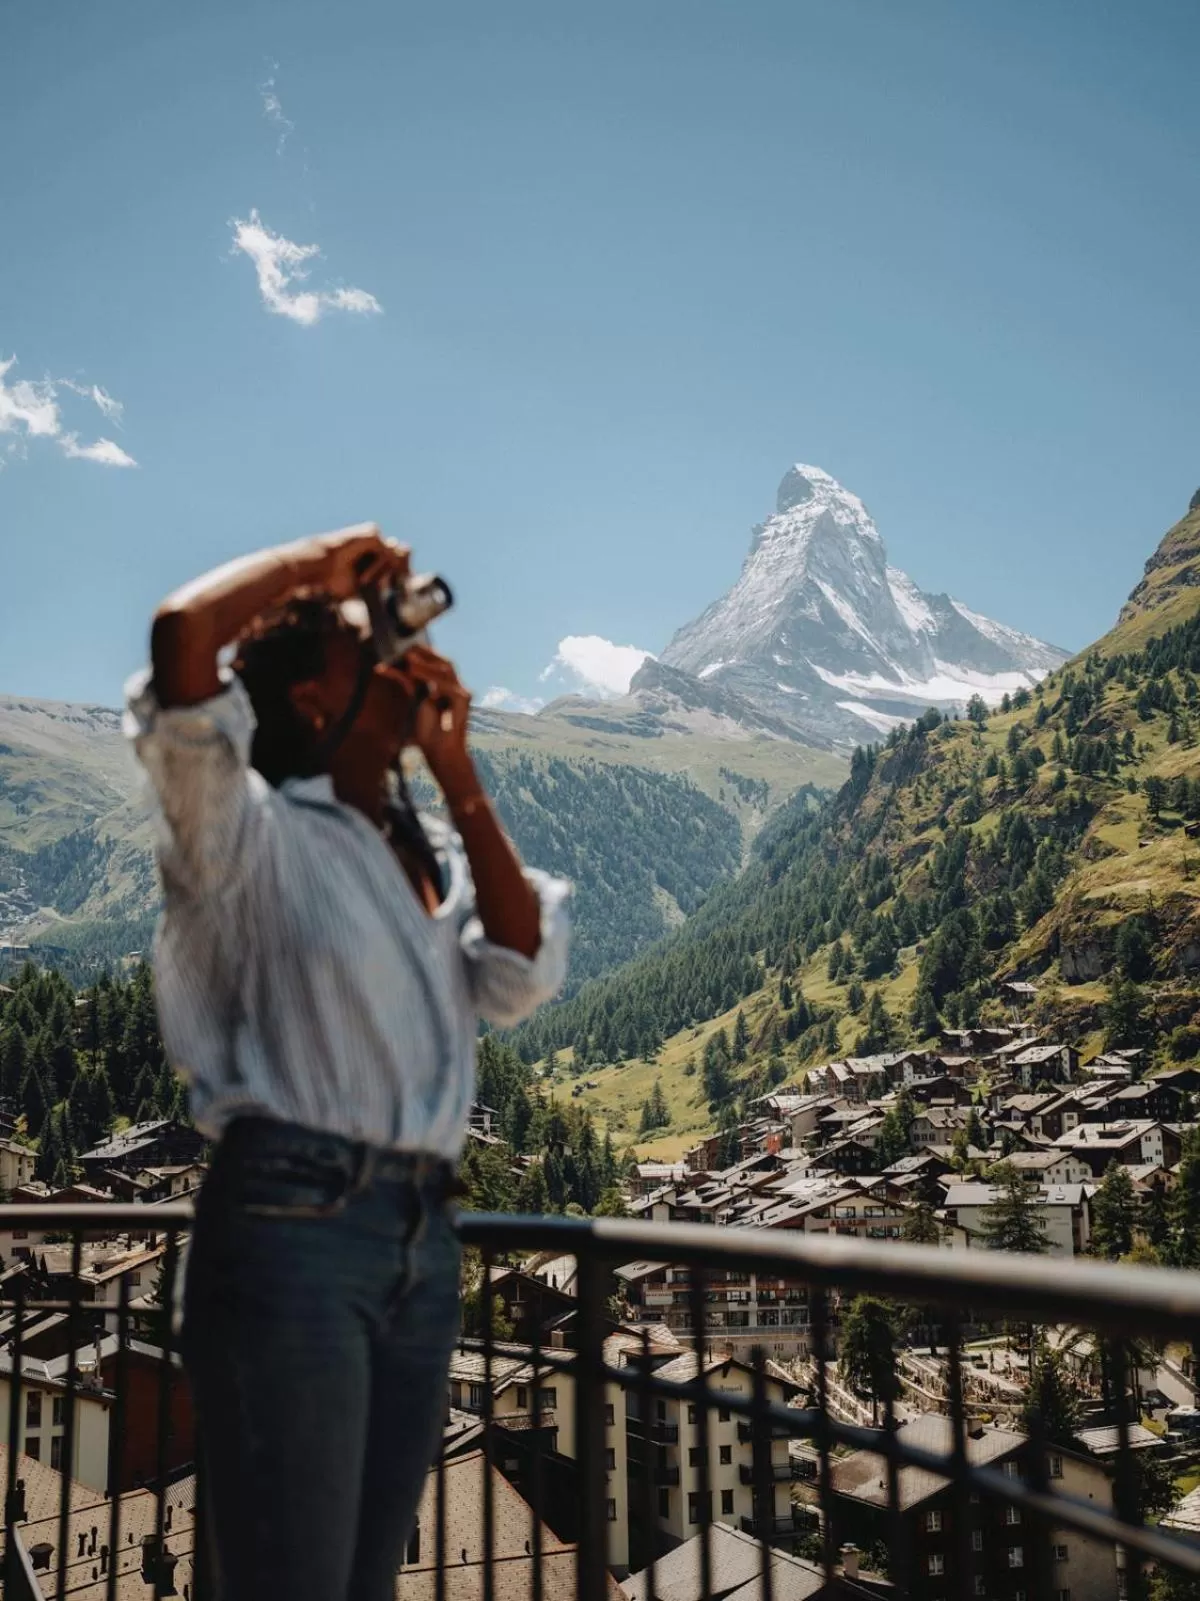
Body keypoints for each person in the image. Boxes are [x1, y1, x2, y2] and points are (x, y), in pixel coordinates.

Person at [125, 524, 570, 1601]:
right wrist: (324, 565)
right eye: (365, 640)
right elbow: (184, 640)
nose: (397, 644)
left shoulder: (419, 857)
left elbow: (517, 970)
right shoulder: (252, 835)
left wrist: (457, 769)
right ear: (316, 701)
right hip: (294, 1229)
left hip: (420, 1240)